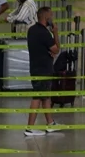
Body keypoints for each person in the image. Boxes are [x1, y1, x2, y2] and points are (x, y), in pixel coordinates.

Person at [24, 7, 60, 137]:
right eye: (51, 16)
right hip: (43, 69)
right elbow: (56, 49)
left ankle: (50, 123)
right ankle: (29, 127)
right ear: (46, 18)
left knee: (45, 96)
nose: (52, 18)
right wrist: (55, 33)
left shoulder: (32, 30)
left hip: (36, 67)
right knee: (38, 96)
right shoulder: (44, 33)